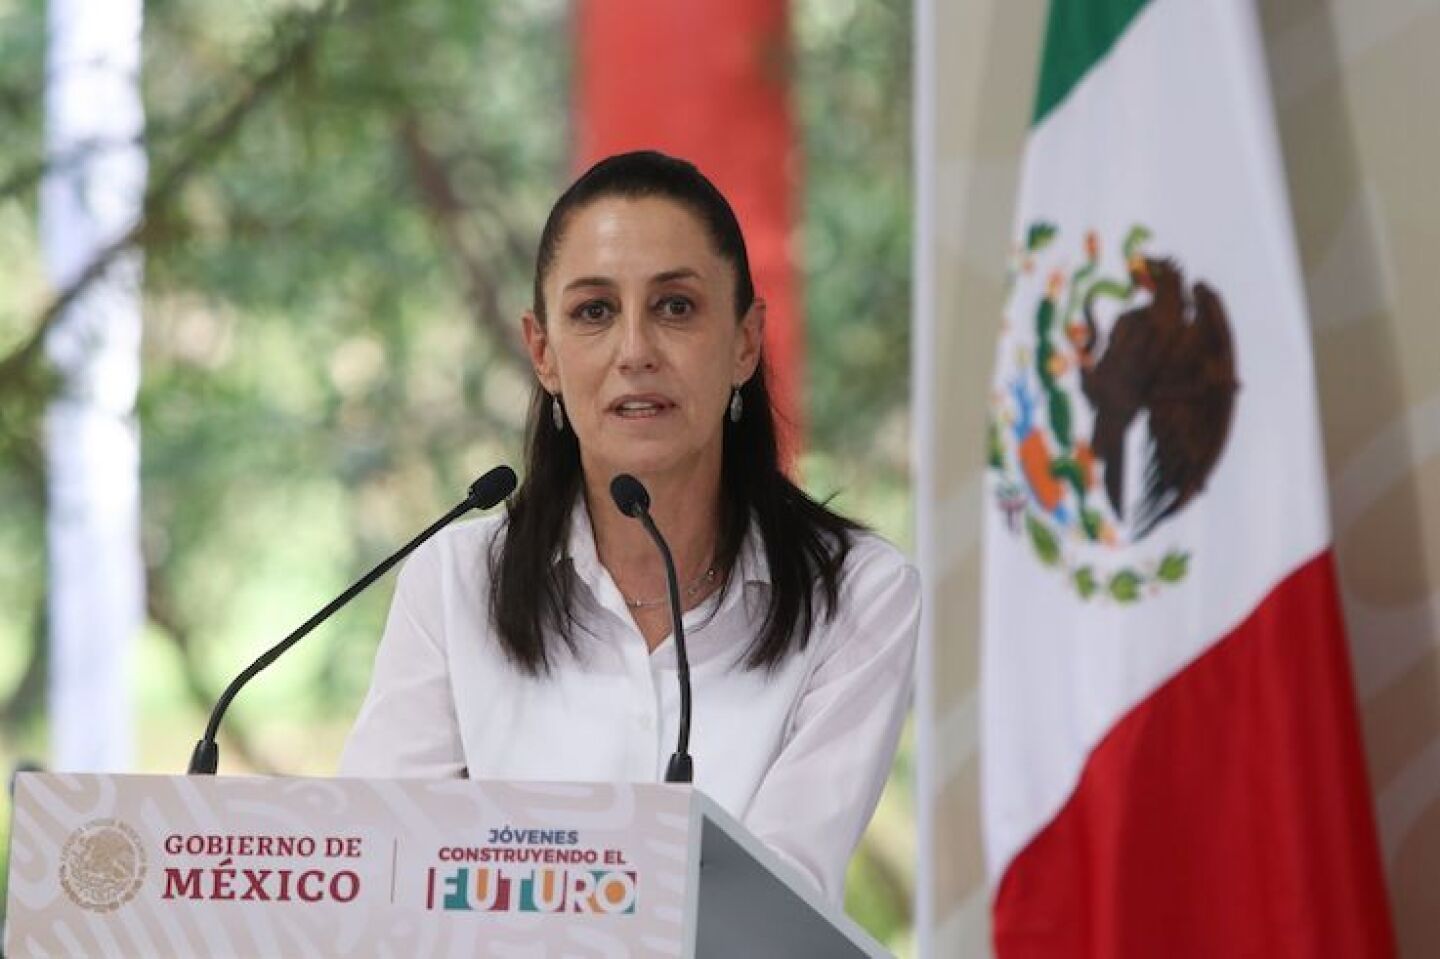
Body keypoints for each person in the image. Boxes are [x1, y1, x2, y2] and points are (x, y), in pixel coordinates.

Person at [339, 150, 920, 904]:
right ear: (542, 352)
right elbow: (372, 869)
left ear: (745, 342)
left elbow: (779, 905)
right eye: (594, 312)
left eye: (676, 307)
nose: (636, 351)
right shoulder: (454, 583)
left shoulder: (857, 595)